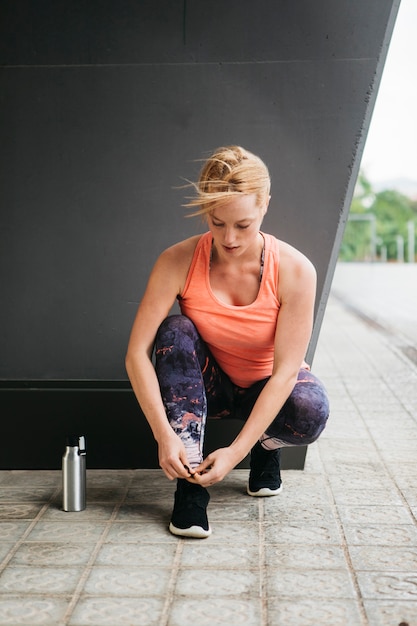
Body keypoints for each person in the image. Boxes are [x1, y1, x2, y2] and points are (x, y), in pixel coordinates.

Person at [125, 145, 329, 539]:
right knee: (174, 330)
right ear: (206, 210)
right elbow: (136, 354)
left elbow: (287, 371)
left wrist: (235, 452)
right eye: (217, 223)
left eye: (243, 225)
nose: (229, 238)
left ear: (265, 206)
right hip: (207, 389)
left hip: (266, 389)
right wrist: (164, 435)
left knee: (310, 411)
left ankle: (264, 450)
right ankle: (190, 489)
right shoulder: (177, 260)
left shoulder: (296, 270)